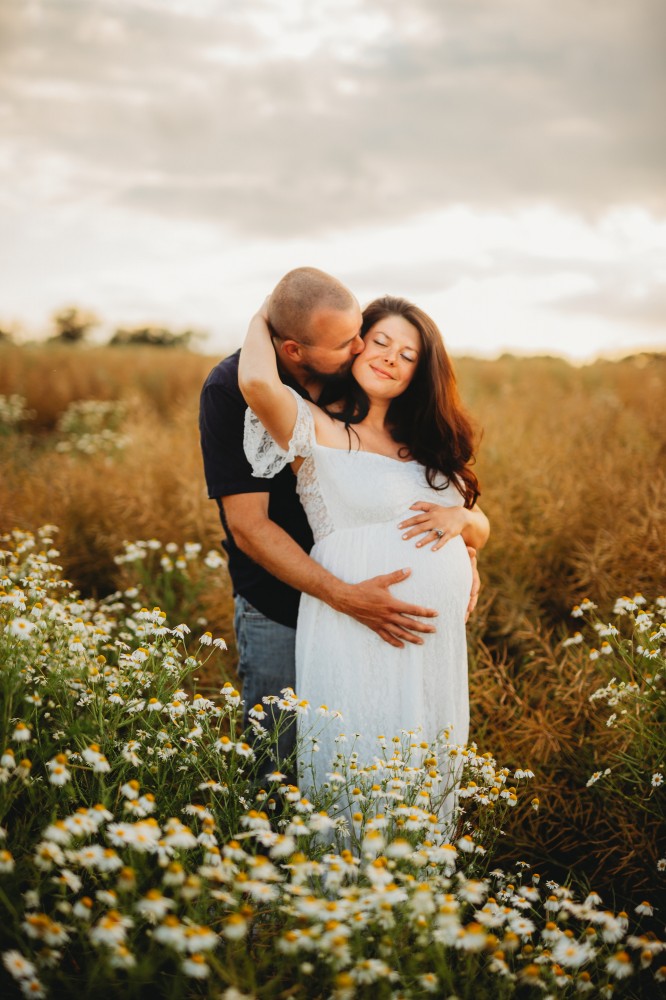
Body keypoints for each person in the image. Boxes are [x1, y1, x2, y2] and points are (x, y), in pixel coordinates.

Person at [199, 268, 480, 771]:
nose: (367, 352)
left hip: (422, 645)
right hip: (293, 603)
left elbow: (475, 522)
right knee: (291, 763)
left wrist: (463, 536)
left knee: (412, 772)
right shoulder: (307, 424)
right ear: (293, 349)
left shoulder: (421, 441)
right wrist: (268, 310)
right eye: (375, 341)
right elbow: (249, 527)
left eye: (407, 354)